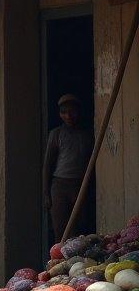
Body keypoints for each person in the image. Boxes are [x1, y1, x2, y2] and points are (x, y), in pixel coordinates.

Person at [43, 94, 95, 241]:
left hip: (80, 185)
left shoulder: (87, 135)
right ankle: (60, 262)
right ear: (60, 114)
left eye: (72, 112)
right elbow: (47, 165)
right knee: (60, 230)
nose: (68, 116)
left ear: (78, 112)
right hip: (60, 186)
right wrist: (46, 193)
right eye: (64, 112)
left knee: (81, 230)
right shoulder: (56, 134)